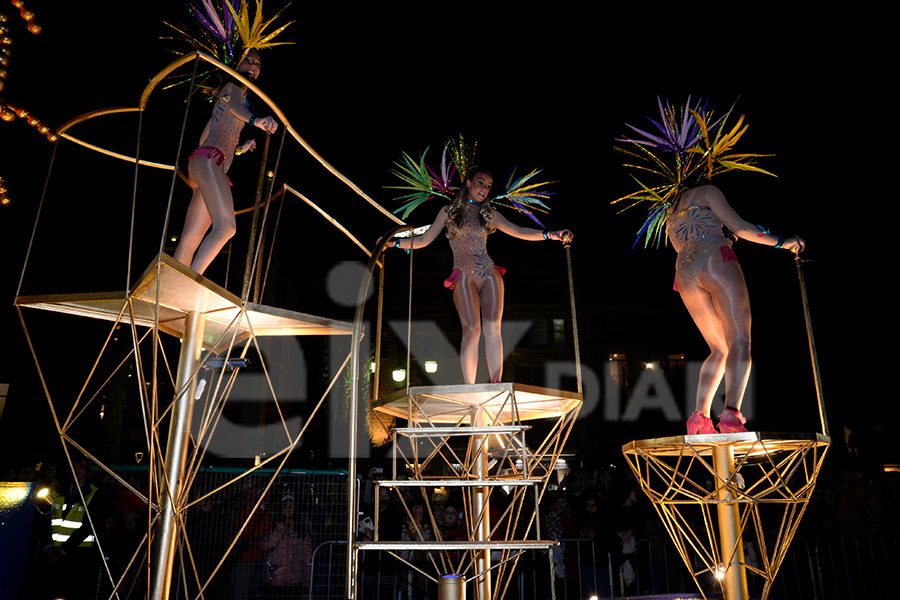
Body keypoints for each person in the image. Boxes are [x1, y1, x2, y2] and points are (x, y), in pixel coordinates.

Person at [387, 167, 573, 384]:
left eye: (488, 186)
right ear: (468, 183)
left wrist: (550, 235)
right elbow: (423, 240)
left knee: (493, 326)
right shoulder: (448, 212)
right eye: (480, 182)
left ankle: (496, 383)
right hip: (464, 274)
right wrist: (396, 243)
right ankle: (470, 387)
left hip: (488, 273)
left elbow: (520, 231)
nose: (484, 189)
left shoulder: (490, 215)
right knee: (472, 329)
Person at [670, 184, 805, 434]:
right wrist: (783, 243)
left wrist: (727, 237)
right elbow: (740, 228)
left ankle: (699, 417)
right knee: (739, 340)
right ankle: (731, 413)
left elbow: (698, 236)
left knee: (719, 348)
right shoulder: (707, 191)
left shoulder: (671, 213)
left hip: (684, 273)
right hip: (714, 258)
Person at [173, 50, 279, 275]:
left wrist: (240, 148)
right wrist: (255, 120)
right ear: (236, 62)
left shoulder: (225, 93)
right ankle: (190, 284)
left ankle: (170, 294)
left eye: (257, 63)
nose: (253, 65)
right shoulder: (235, 88)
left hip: (203, 163)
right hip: (210, 162)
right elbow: (235, 108)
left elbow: (206, 136)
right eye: (248, 60)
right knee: (226, 228)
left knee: (190, 239)